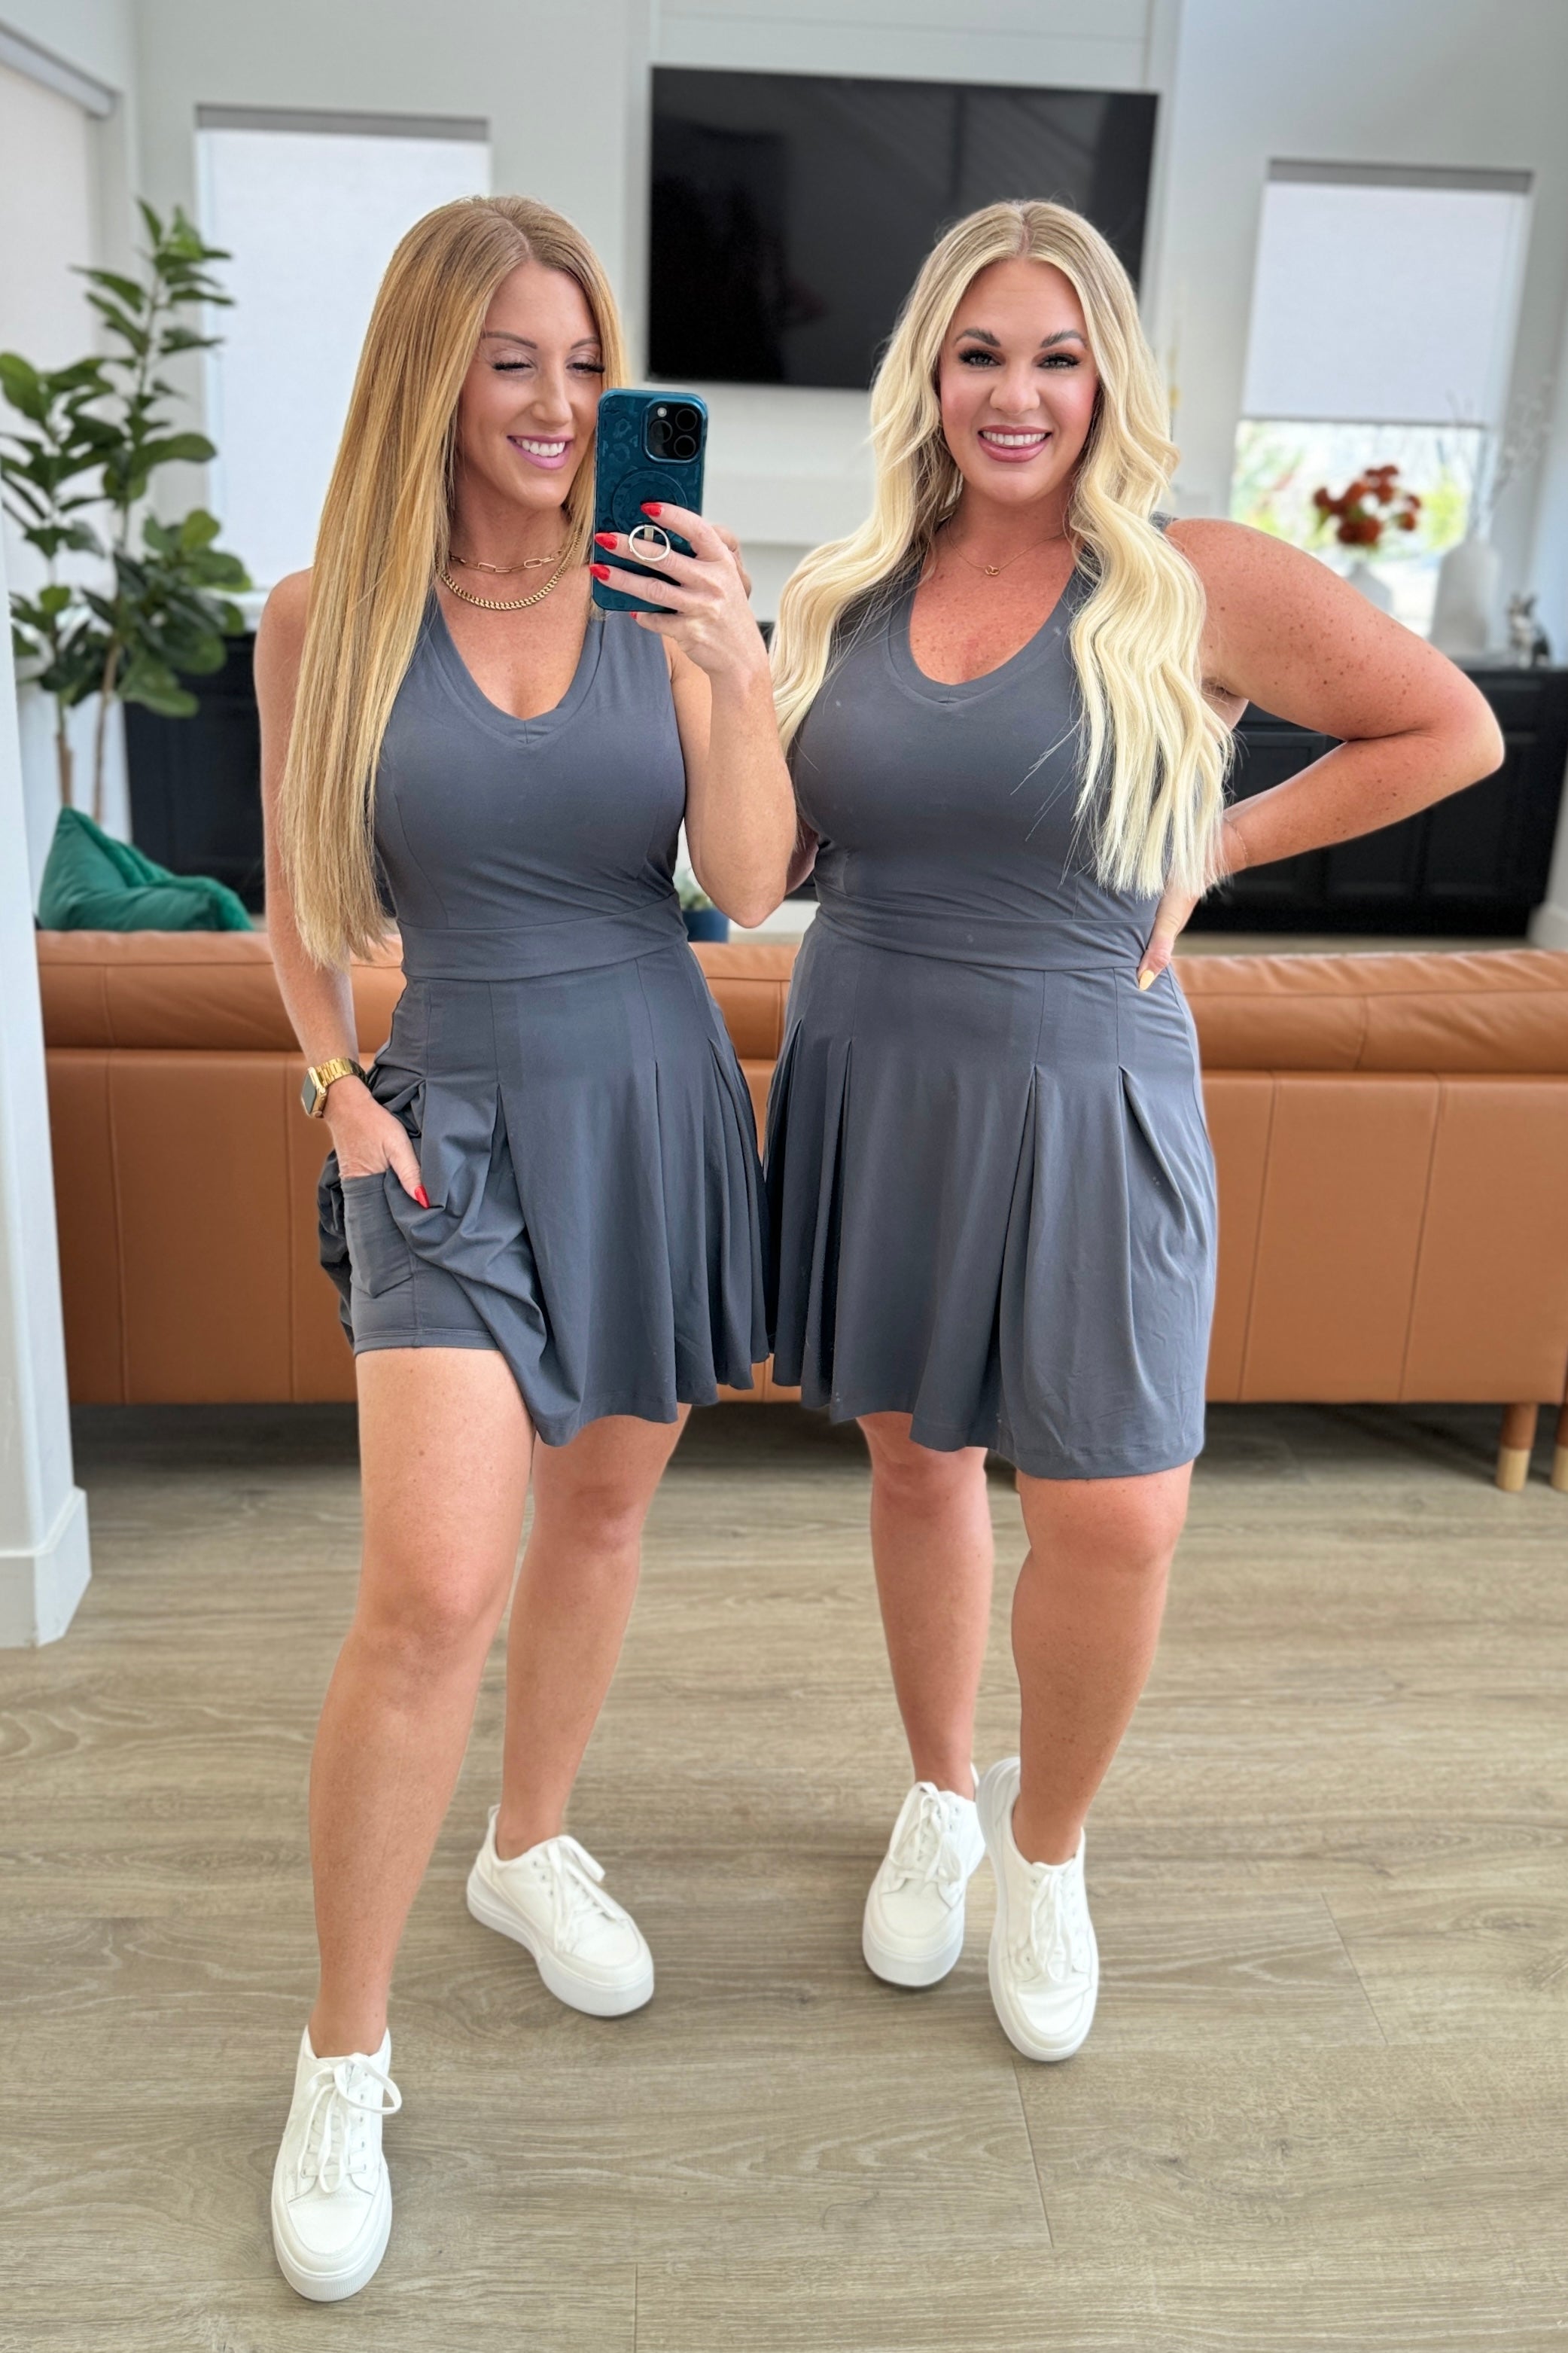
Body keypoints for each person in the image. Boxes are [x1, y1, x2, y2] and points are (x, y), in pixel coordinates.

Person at [766, 200, 1502, 2063]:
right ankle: (940, 1795)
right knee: (915, 1463)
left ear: (1107, 381)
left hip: (1091, 1082)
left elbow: (1447, 731)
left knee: (1117, 1513)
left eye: (1057, 356)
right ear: (928, 375)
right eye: (979, 354)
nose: (1015, 395)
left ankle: (1048, 1848)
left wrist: (1223, 840)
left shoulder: (1195, 579)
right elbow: (772, 853)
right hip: (872, 1063)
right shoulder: (843, 587)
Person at [256, 194, 793, 2301]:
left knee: (600, 1519)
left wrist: (735, 670)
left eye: (583, 362)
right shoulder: (326, 614)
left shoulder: (661, 595)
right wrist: (334, 1083)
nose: (559, 403)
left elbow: (744, 883)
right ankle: (341, 2054)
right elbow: (298, 894)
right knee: (425, 1595)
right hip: (447, 1123)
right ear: (431, 374)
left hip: (656, 1100)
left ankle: (527, 1839)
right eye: (512, 362)